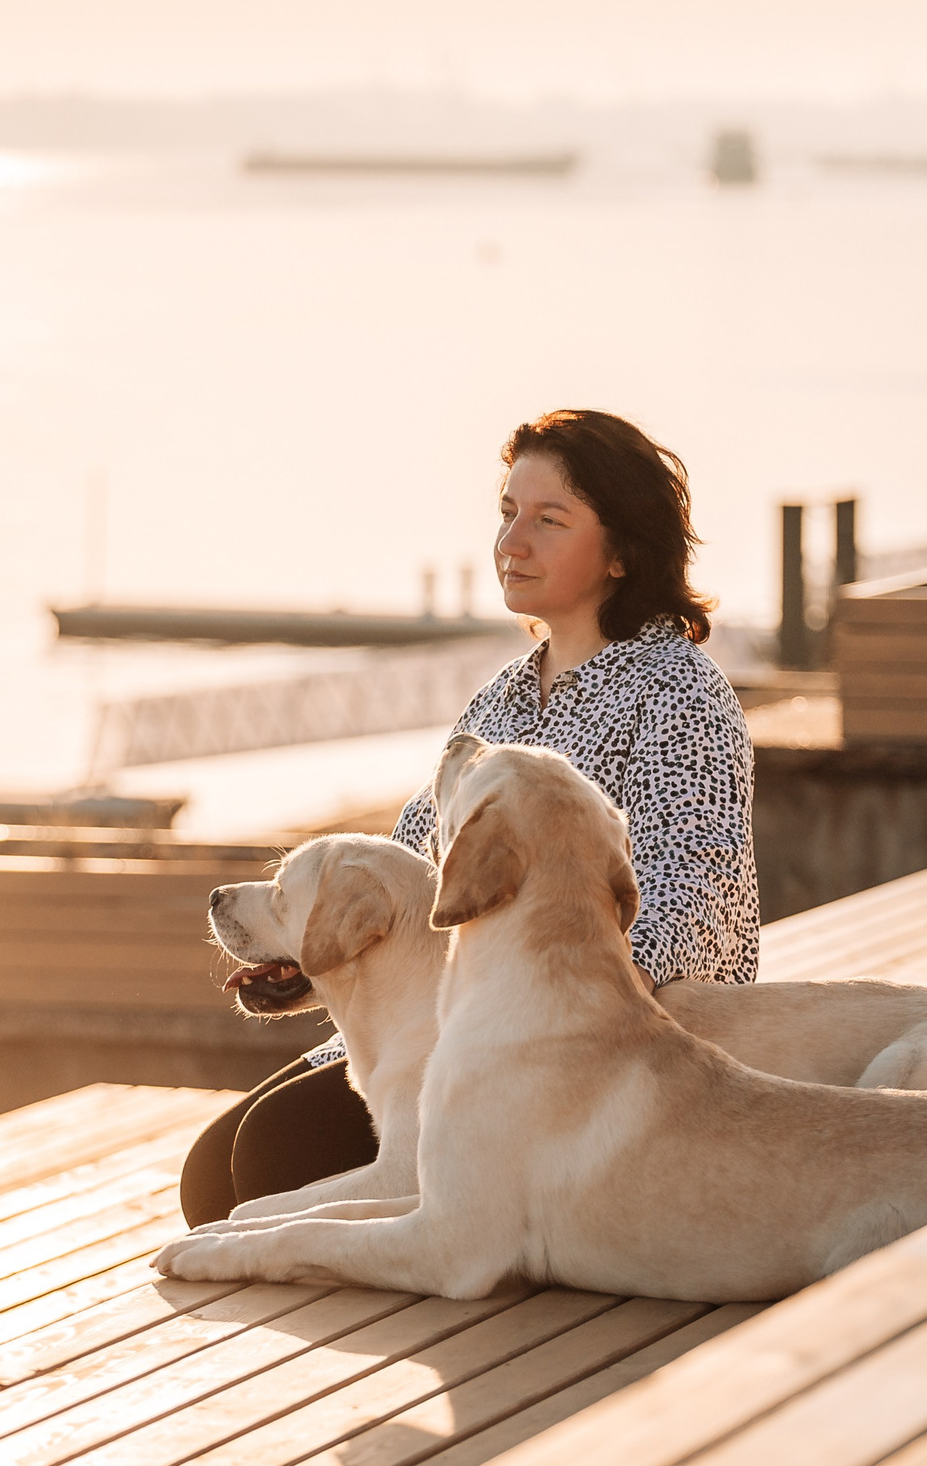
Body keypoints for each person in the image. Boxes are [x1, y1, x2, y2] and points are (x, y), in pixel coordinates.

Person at [180, 407, 761, 1225]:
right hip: (445, 1033)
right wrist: (314, 958)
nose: (511, 541)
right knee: (212, 1174)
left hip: (581, 1060)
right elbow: (407, 875)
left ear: (625, 550)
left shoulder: (679, 695)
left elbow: (685, 920)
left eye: (548, 520)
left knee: (274, 1159)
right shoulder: (502, 698)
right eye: (507, 512)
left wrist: (496, 1004)